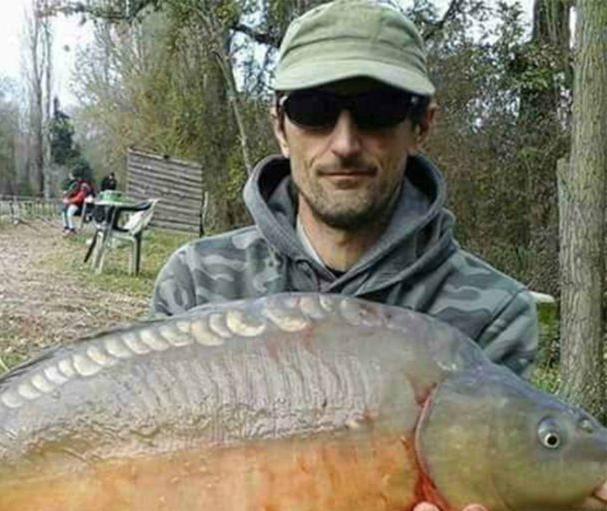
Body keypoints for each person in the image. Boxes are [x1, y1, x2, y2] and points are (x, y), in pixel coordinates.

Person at [152, 3, 538, 508]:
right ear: (280, 126)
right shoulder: (199, 281)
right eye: (314, 110)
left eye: (378, 109)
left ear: (421, 125)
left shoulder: (493, 313)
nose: (344, 143)